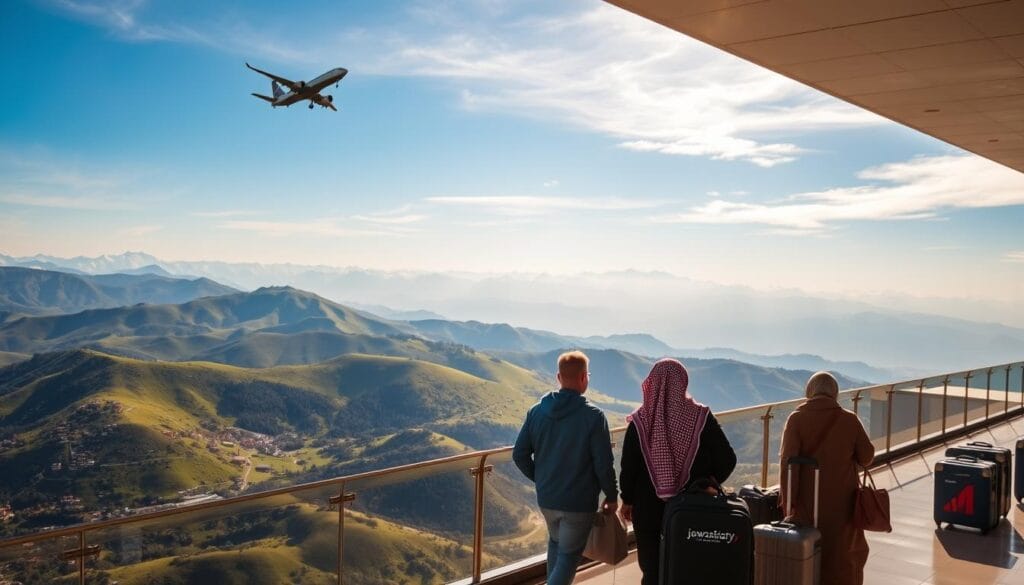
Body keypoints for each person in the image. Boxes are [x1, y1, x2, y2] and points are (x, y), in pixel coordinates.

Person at [619, 358, 737, 585]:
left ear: (651, 384)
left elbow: (629, 469)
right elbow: (727, 459)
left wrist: (628, 500)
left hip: (648, 513)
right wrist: (708, 484)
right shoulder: (701, 418)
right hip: (694, 509)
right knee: (689, 568)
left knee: (652, 573)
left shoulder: (639, 423)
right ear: (683, 383)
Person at [512, 350, 618, 585]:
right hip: (579, 503)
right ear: (584, 378)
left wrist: (540, 478)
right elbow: (603, 463)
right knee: (569, 556)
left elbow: (519, 454)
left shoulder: (536, 411)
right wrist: (611, 495)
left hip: (547, 499)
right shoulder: (594, 416)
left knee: (556, 544)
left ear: (558, 377)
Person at [779, 371, 875, 585]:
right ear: (835, 393)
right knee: (843, 557)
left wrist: (789, 504)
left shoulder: (796, 419)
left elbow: (788, 465)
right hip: (844, 504)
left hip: (806, 505)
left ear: (809, 391)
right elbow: (867, 457)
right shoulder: (850, 420)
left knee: (808, 554)